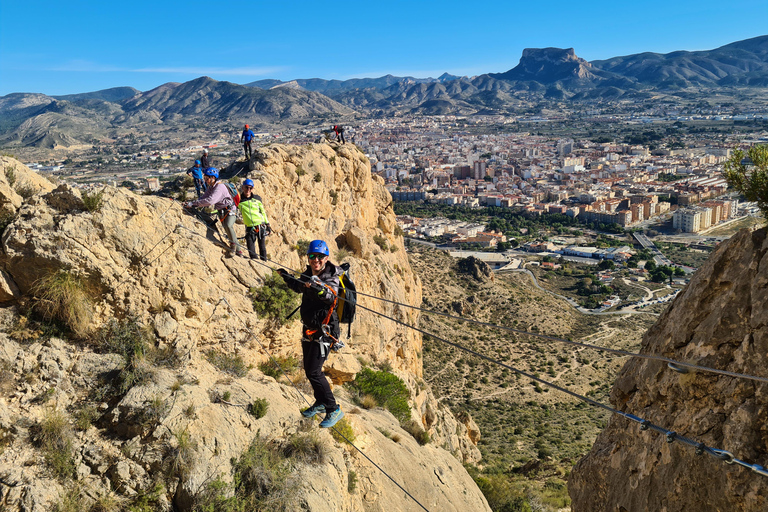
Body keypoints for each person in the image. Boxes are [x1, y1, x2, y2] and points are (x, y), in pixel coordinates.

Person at [278, 240, 344, 428]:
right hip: (309, 329)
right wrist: (286, 276)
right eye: (312, 256)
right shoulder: (308, 274)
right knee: (309, 370)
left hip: (324, 332)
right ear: (308, 257)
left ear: (326, 258)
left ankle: (333, 408)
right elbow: (298, 286)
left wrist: (318, 288)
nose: (316, 260)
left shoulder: (331, 275)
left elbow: (330, 295)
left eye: (320, 257)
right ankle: (321, 402)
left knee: (315, 371)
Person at [184, 168, 241, 257]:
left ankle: (234, 248)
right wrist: (192, 203)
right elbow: (204, 197)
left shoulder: (220, 187)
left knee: (228, 226)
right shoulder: (211, 187)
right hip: (222, 211)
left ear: (213, 178)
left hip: (230, 209)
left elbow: (210, 201)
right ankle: (239, 251)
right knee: (227, 229)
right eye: (205, 179)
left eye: (207, 179)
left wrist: (194, 204)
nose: (205, 181)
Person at [238, 178, 270, 260]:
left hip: (260, 225)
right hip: (249, 227)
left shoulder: (257, 199)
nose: (248, 190)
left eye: (250, 188)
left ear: (252, 189)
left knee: (262, 247)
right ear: (242, 188)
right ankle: (255, 263)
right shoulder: (239, 201)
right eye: (246, 187)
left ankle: (264, 263)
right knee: (250, 247)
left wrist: (268, 225)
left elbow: (263, 212)